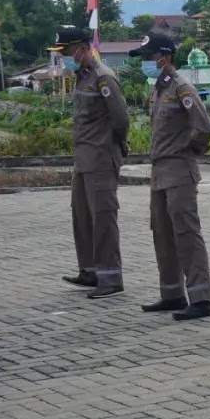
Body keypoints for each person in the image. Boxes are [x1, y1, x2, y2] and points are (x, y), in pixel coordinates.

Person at [130, 33, 210, 320]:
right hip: (159, 171)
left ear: (164, 58)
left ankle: (201, 299)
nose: (145, 62)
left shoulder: (182, 87)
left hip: (179, 170)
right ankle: (172, 294)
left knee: (186, 234)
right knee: (162, 234)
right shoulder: (159, 88)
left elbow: (204, 128)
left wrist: (187, 151)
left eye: (148, 57)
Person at [50, 26, 130, 299]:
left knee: (103, 218)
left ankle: (110, 277)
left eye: (67, 51)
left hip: (101, 157)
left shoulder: (103, 78)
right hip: (83, 158)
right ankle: (90, 271)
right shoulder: (82, 77)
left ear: (83, 49)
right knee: (81, 216)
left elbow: (121, 120)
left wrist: (115, 148)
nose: (64, 56)